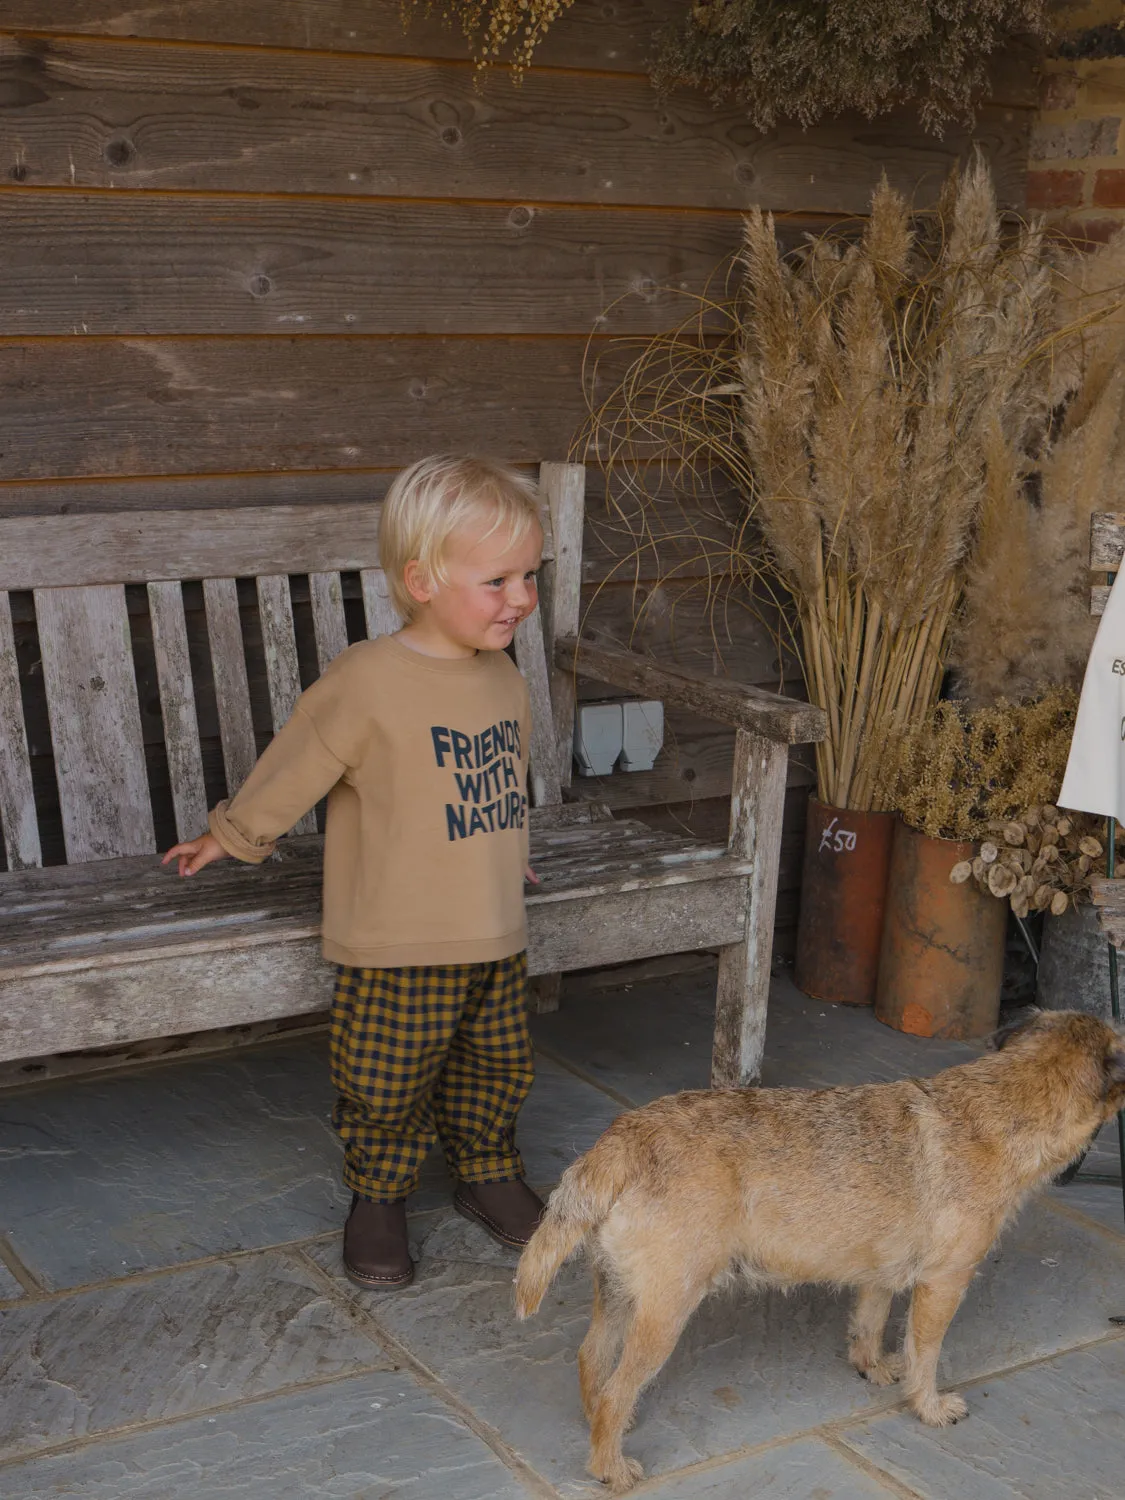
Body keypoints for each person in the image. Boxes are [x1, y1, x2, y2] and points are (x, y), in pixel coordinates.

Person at [163, 455, 546, 1289]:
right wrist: (229, 834)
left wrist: (511, 853)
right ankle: (378, 1195)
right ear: (420, 580)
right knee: (387, 1073)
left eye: (529, 575)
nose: (519, 597)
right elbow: (298, 764)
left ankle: (486, 1170)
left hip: (490, 928)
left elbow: (504, 775)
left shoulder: (502, 676)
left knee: (496, 1060)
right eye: (497, 580)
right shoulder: (368, 681)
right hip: (396, 936)